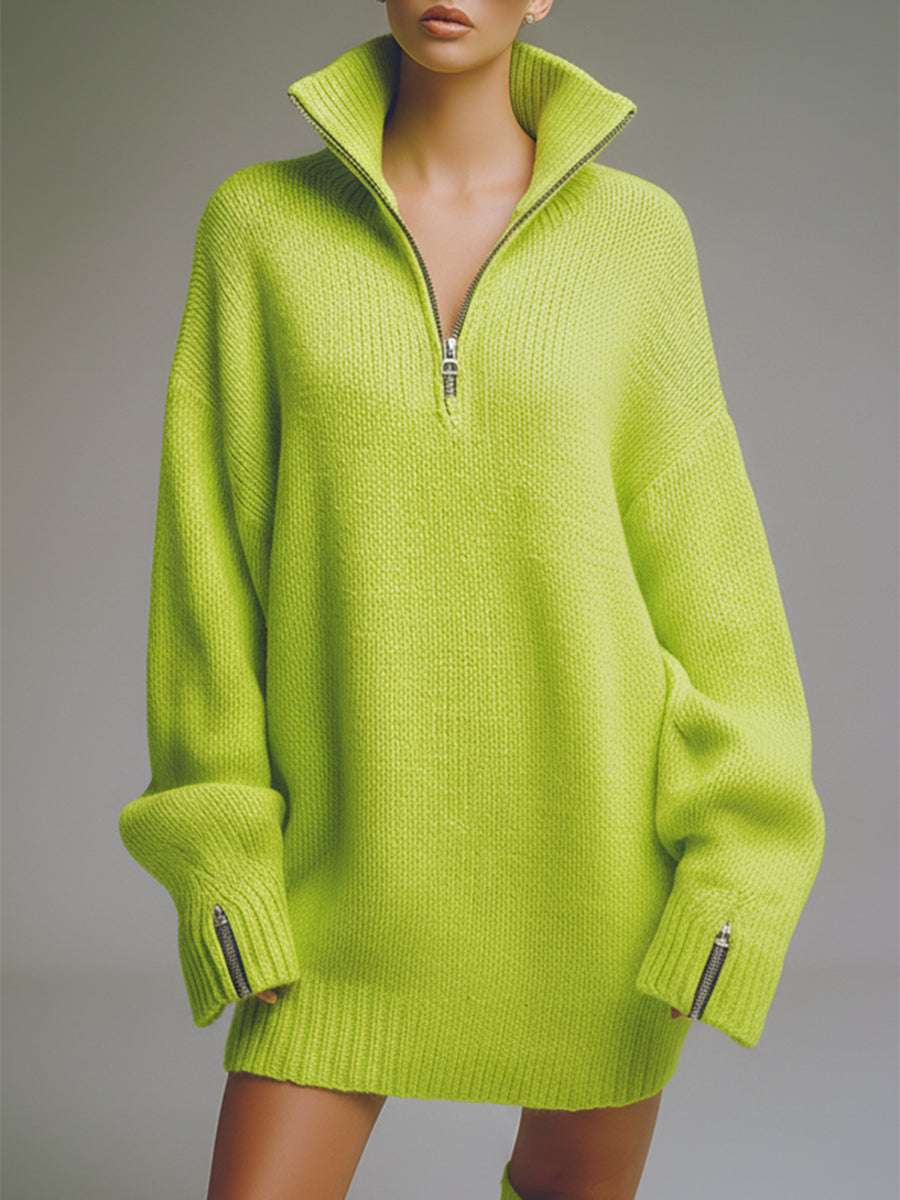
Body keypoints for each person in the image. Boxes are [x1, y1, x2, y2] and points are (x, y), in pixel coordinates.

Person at [118, 3, 826, 1198]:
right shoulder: (258, 225)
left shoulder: (637, 237)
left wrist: (735, 875)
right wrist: (225, 867)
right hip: (341, 876)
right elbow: (206, 576)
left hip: (600, 891)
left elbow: (714, 581)